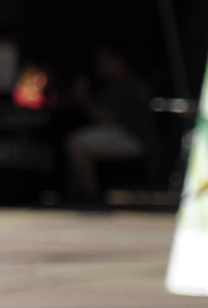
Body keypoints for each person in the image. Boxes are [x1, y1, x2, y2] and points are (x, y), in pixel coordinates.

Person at [65, 45, 156, 202]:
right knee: (76, 138)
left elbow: (106, 121)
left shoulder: (128, 84)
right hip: (127, 135)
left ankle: (91, 195)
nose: (101, 65)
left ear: (118, 61)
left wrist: (85, 98)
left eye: (105, 60)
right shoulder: (116, 84)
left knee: (75, 143)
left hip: (136, 138)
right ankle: (76, 193)